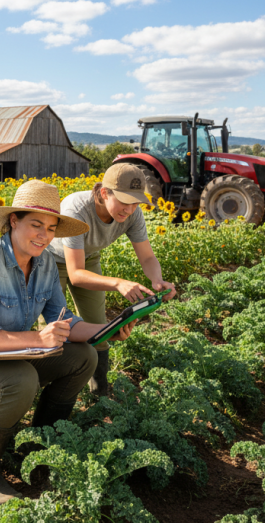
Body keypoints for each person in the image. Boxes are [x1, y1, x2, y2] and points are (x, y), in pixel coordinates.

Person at [0, 180, 139, 509]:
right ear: (14, 221)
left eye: (51, 228)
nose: (44, 235)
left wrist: (106, 331)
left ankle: (36, 444)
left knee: (84, 356)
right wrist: (37, 338)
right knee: (22, 380)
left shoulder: (42, 264)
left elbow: (66, 321)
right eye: (36, 225)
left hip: (8, 356)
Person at [47, 163, 177, 396]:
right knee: (53, 327)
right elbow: (76, 274)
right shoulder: (77, 210)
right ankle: (52, 393)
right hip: (50, 261)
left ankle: (99, 393)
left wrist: (158, 282)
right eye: (125, 201)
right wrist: (118, 283)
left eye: (136, 202)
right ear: (105, 192)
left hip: (88, 257)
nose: (130, 209)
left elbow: (147, 257)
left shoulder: (133, 214)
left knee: (100, 326)